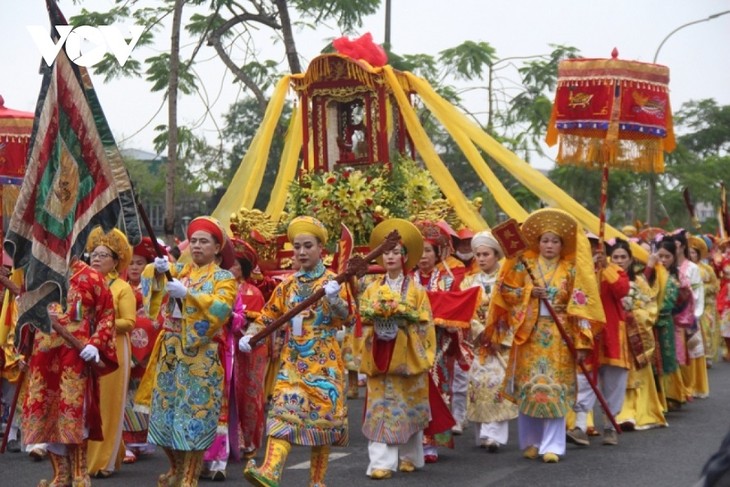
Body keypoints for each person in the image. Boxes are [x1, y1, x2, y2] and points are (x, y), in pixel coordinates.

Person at [485, 208, 604, 463]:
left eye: (555, 241)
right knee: (530, 388)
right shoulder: (522, 265)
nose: (549, 245)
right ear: (537, 243)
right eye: (545, 240)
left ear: (563, 245)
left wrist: (582, 339)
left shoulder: (571, 271)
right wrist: (529, 292)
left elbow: (581, 304)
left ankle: (553, 445)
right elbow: (505, 290)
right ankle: (531, 442)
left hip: (560, 337)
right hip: (530, 334)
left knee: (555, 390)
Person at [238, 216, 350, 487]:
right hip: (293, 361)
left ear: (321, 247)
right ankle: (271, 471)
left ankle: (317, 482)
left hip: (324, 362)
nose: (301, 252)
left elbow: (348, 318)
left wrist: (334, 299)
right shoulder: (287, 285)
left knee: (322, 425)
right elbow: (268, 316)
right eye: (297, 246)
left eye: (308, 246)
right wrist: (251, 335)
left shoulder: (334, 281)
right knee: (281, 412)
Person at [141, 216, 237, 487]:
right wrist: (157, 273)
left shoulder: (224, 278)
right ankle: (176, 468)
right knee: (164, 414)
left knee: (192, 417)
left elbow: (221, 310)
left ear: (217, 248)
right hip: (170, 353)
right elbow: (153, 302)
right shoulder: (180, 271)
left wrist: (189, 296)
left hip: (200, 356)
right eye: (193, 241)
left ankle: (189, 476)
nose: (196, 246)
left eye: (204, 241)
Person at [22, 256, 118, 487]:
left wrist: (96, 343)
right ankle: (61, 474)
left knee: (74, 413)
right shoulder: (38, 274)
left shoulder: (91, 277)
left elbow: (106, 314)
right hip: (43, 357)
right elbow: (25, 320)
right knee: (47, 413)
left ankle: (79, 474)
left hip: (74, 356)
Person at [353, 218, 435, 479]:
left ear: (405, 256)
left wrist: (403, 320)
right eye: (385, 252)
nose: (390, 257)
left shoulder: (417, 291)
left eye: (395, 252)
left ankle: (410, 456)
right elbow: (361, 318)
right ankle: (382, 463)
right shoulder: (370, 289)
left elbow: (425, 321)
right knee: (379, 409)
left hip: (407, 355)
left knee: (409, 405)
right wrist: (375, 325)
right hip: (380, 354)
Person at [200, 238, 267, 481]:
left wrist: (241, 329)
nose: (230, 268)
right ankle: (196, 458)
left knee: (240, 398)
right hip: (204, 350)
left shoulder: (250, 292)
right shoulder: (196, 281)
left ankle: (238, 447)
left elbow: (253, 320)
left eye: (235, 265)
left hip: (239, 349)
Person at [567, 233, 629, 447]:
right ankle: (580, 427)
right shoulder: (575, 272)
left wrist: (606, 269)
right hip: (586, 334)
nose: (592, 251)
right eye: (587, 247)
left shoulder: (615, 271)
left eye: (595, 247)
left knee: (614, 382)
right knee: (584, 380)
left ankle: (610, 427)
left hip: (611, 334)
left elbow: (622, 291)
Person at [85, 227, 137, 478]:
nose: (96, 258)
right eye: (94, 254)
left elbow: (129, 322)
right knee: (86, 401)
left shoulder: (122, 288)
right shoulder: (81, 283)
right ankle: (85, 456)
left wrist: (101, 325)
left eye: (103, 255)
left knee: (108, 402)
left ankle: (103, 460)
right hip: (85, 349)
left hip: (113, 348)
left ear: (116, 261)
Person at [413, 220, 467, 462]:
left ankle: (430, 441)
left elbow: (456, 310)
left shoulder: (447, 280)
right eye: (419, 250)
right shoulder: (404, 279)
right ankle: (411, 441)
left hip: (437, 344)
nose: (423, 256)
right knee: (411, 393)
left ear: (437, 253)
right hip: (409, 345)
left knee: (436, 390)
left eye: (428, 250)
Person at [460, 231, 517, 452]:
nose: (482, 258)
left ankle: (493, 435)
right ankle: (483, 433)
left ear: (497, 255)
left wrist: (496, 334)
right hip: (478, 342)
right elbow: (464, 311)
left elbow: (514, 309)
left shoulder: (507, 281)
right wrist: (478, 330)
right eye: (478, 255)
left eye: (486, 254)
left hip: (500, 342)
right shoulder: (468, 282)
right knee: (478, 385)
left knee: (497, 385)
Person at [611, 238, 667, 430]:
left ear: (630, 259)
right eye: (616, 256)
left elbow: (650, 308)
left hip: (634, 333)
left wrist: (632, 315)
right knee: (617, 374)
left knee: (638, 371)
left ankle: (640, 411)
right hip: (615, 334)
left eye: (623, 257)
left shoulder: (640, 282)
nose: (619, 260)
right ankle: (621, 412)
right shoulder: (605, 278)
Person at [122, 237, 163, 463]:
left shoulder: (154, 288)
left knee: (144, 394)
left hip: (148, 351)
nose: (135, 267)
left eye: (140, 263)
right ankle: (125, 441)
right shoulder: (119, 287)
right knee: (125, 395)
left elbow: (160, 314)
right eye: (131, 263)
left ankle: (142, 439)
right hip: (124, 348)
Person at [645, 237, 683, 411]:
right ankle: (655, 399)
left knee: (666, 358)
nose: (664, 260)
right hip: (649, 323)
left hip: (664, 322)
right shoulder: (650, 274)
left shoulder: (674, 278)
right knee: (651, 361)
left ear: (674, 257)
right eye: (660, 256)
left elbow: (671, 302)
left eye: (667, 256)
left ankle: (669, 395)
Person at [689, 236, 719, 368]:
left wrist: (704, 288)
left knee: (706, 329)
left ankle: (708, 356)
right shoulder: (686, 268)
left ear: (699, 254)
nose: (691, 255)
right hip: (691, 304)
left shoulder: (707, 269)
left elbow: (715, 286)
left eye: (694, 252)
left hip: (706, 304)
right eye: (689, 252)